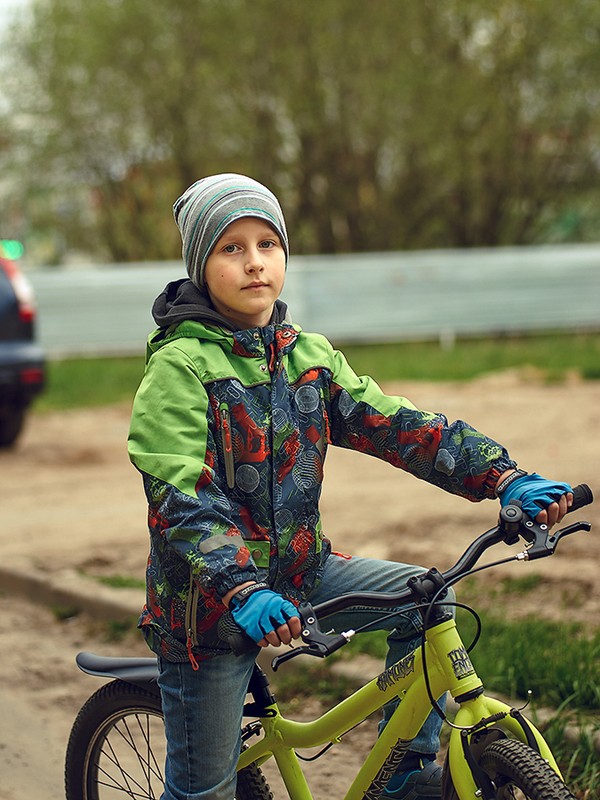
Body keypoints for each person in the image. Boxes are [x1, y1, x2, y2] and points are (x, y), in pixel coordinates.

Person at [128, 173, 572, 800]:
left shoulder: (305, 355)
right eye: (231, 248)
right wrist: (240, 587)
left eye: (268, 244)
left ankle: (404, 779)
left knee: (426, 599)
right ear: (201, 265)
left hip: (304, 573)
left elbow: (397, 426)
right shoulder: (179, 368)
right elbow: (183, 500)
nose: (255, 263)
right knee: (205, 792)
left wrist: (503, 476)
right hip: (208, 612)